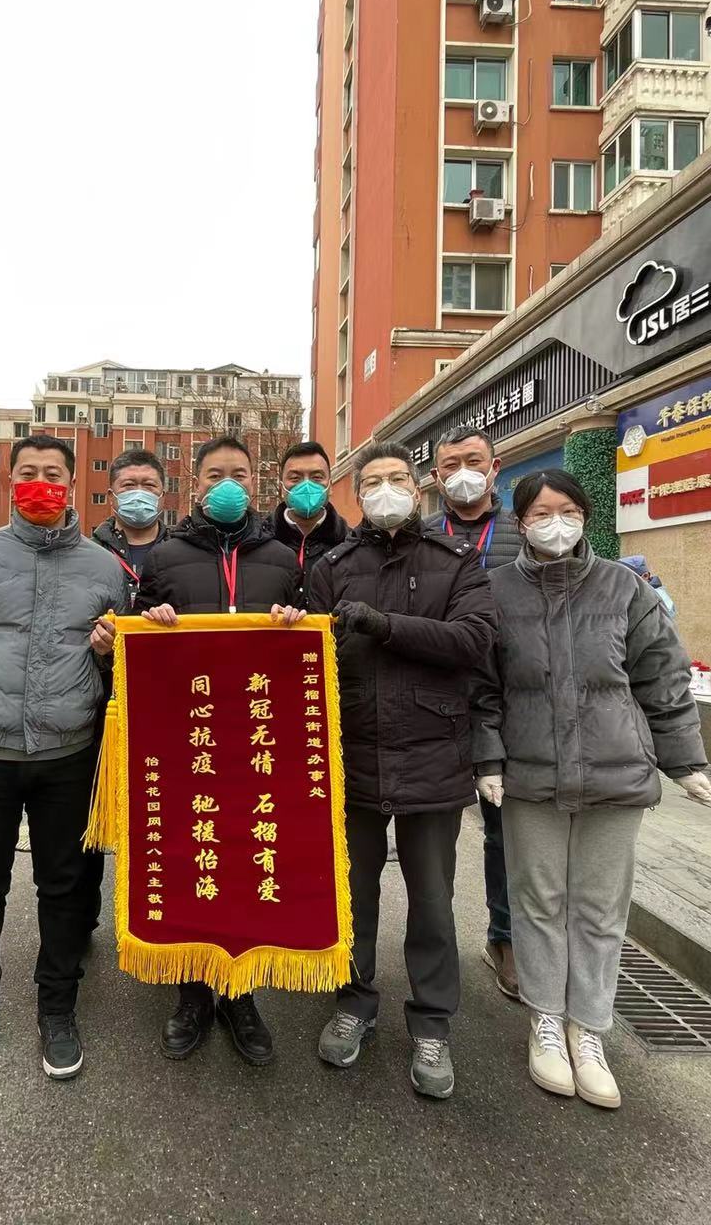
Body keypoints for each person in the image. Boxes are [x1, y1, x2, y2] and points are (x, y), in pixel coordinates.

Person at [470, 470, 711, 1110]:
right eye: (541, 513)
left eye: (568, 510)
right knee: (538, 900)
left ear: (585, 516)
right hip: (528, 776)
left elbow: (663, 677)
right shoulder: (495, 591)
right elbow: (483, 687)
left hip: (615, 771)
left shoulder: (625, 588)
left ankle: (589, 1028)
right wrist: (487, 759)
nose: (555, 522)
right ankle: (546, 1021)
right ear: (521, 522)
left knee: (601, 908)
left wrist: (685, 760)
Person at [0, 435, 126, 1087]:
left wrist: (108, 653)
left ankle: (57, 1009)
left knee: (65, 889)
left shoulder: (104, 567)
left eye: (53, 473)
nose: (41, 483)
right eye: (28, 472)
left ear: (72, 483)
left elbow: (123, 671)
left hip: (69, 753)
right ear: (9, 483)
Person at [308, 443, 495, 1099]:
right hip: (353, 756)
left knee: (434, 901)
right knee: (351, 895)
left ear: (418, 492)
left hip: (433, 755)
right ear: (357, 496)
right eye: (372, 481)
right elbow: (310, 660)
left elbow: (474, 640)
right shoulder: (332, 566)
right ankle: (353, 1001)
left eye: (396, 479)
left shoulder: (455, 561)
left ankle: (432, 1022)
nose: (385, 489)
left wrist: (385, 626)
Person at [134, 434, 306, 1068]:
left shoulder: (282, 557)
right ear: (196, 483)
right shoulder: (166, 556)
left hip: (258, 742)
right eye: (214, 475)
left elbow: (311, 641)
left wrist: (293, 623)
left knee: (247, 864)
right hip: (187, 739)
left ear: (255, 482)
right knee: (190, 863)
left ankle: (240, 995)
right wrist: (151, 623)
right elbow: (134, 637)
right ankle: (191, 995)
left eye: (238, 473)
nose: (227, 483)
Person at [429, 426, 522, 1001]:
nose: (462, 472)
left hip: (505, 698)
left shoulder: (524, 530)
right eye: (451, 465)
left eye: (473, 460)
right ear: (435, 477)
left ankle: (504, 937)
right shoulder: (419, 533)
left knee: (503, 829)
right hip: (431, 696)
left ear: (495, 467)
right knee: (424, 834)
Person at [259, 441, 349, 606]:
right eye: (295, 478)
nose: (306, 485)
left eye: (317, 477)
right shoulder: (258, 542)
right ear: (282, 487)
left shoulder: (350, 545)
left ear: (330, 486)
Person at [91, 448, 167, 608]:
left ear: (162, 496)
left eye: (149, 485)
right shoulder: (89, 553)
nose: (139, 493)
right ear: (111, 496)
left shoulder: (182, 552)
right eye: (129, 485)